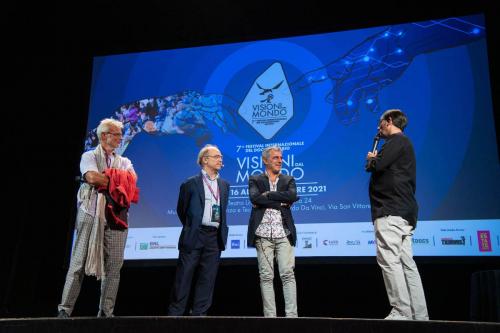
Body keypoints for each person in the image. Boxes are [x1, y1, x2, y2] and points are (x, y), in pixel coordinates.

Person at [58, 118, 138, 318]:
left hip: (116, 216)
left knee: (114, 267)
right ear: (104, 136)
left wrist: (108, 179)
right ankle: (65, 311)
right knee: (77, 264)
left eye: (121, 134)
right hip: (91, 213)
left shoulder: (125, 161)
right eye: (117, 134)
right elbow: (92, 178)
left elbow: (132, 184)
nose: (121, 138)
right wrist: (118, 180)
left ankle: (106, 313)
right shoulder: (89, 156)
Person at [365, 109, 428, 320]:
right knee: (406, 262)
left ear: (389, 120)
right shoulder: (404, 143)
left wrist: (372, 158)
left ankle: (401, 311)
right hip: (403, 211)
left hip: (390, 210)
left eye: (380, 122)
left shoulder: (395, 141)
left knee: (389, 260)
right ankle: (419, 315)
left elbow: (378, 165)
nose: (378, 127)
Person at [168, 144, 230, 316]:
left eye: (221, 157)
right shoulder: (190, 183)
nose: (220, 159)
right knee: (184, 278)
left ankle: (199, 317)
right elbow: (182, 210)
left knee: (207, 280)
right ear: (205, 160)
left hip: (214, 237)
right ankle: (175, 317)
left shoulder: (224, 185)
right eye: (216, 156)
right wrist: (192, 226)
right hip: (194, 235)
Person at [247, 146, 299, 317]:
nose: (280, 160)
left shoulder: (289, 179)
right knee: (266, 277)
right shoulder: (255, 179)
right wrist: (280, 202)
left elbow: (292, 196)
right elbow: (255, 198)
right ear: (265, 160)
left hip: (284, 233)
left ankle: (292, 317)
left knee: (287, 274)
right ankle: (270, 318)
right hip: (262, 235)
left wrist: (268, 195)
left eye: (281, 157)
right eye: (276, 157)